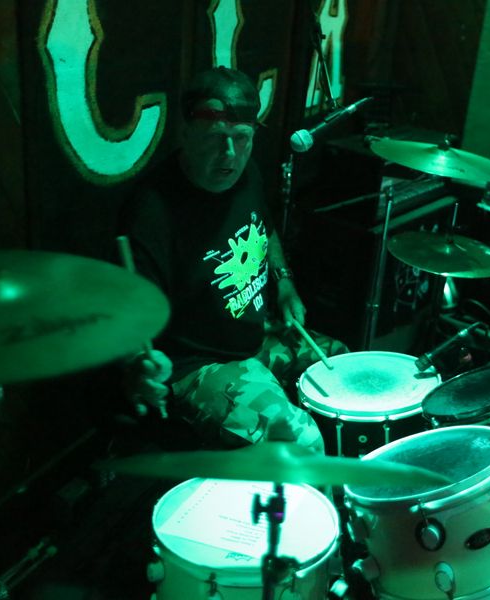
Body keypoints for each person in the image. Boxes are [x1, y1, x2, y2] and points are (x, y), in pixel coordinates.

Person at [119, 67, 346, 454]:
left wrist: (284, 281)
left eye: (241, 138)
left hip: (255, 335)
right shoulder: (151, 212)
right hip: (198, 364)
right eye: (214, 138)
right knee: (300, 440)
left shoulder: (245, 173)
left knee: (343, 370)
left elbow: (264, 229)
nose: (229, 154)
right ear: (185, 133)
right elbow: (129, 314)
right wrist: (138, 366)